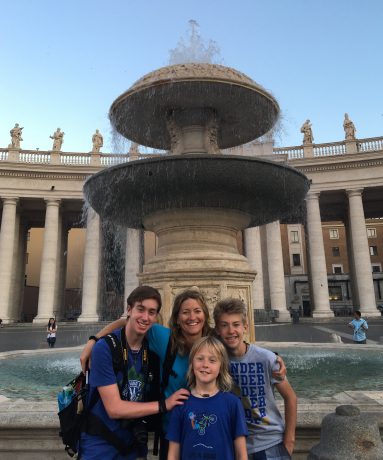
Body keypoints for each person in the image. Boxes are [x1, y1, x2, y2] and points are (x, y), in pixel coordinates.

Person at [80, 289, 287, 459]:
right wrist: (95, 340)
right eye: (185, 312)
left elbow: (238, 344)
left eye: (197, 311)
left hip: (214, 431)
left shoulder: (214, 342)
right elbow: (131, 322)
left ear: (205, 316)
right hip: (174, 431)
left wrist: (271, 357)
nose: (192, 317)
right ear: (177, 318)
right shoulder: (164, 338)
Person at [80, 286, 189, 460]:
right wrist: (163, 405)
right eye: (141, 309)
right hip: (100, 446)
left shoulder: (153, 344)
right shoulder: (105, 348)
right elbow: (114, 409)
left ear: (156, 317)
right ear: (129, 309)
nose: (145, 317)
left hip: (134, 445)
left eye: (152, 312)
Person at [214, 298, 297, 460]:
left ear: (245, 327)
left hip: (269, 441)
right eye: (224, 325)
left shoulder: (266, 358)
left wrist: (290, 440)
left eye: (236, 324)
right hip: (232, 443)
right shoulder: (215, 360)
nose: (231, 330)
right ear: (217, 329)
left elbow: (291, 397)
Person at [167, 336, 248, 460]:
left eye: (212, 360)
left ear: (221, 367)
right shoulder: (180, 403)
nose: (205, 365)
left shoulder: (233, 403)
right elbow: (173, 454)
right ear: (192, 364)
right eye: (200, 359)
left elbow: (241, 454)